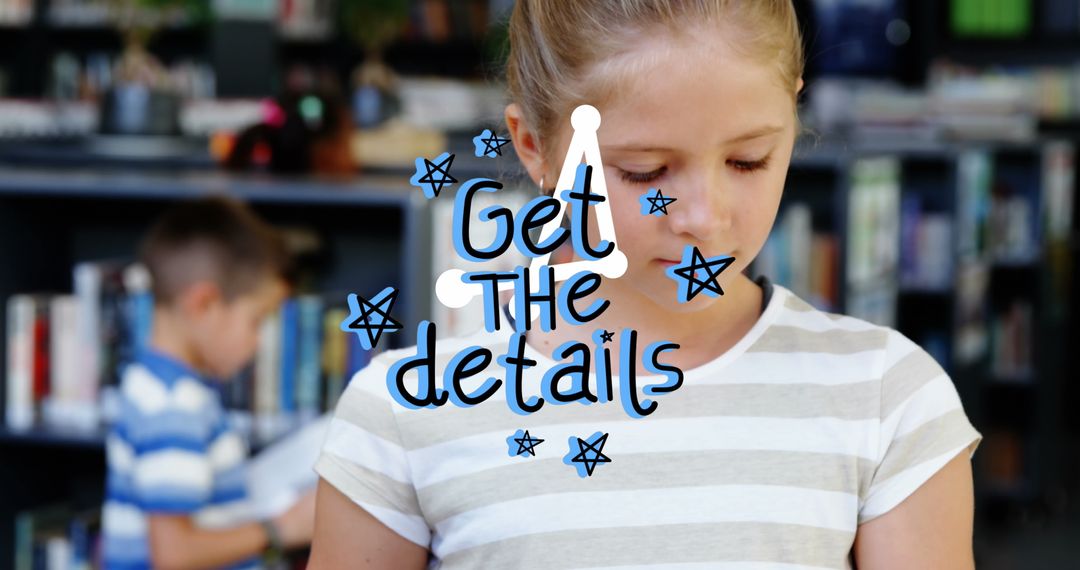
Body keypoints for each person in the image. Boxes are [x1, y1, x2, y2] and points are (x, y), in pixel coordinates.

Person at [308, 1, 983, 568]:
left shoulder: (886, 397)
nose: (705, 218)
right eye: (646, 173)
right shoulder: (405, 417)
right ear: (535, 149)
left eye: (749, 160)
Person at [102, 196, 316, 569]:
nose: (258, 342)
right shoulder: (174, 406)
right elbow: (174, 555)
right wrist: (284, 527)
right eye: (257, 321)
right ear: (203, 304)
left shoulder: (151, 383)